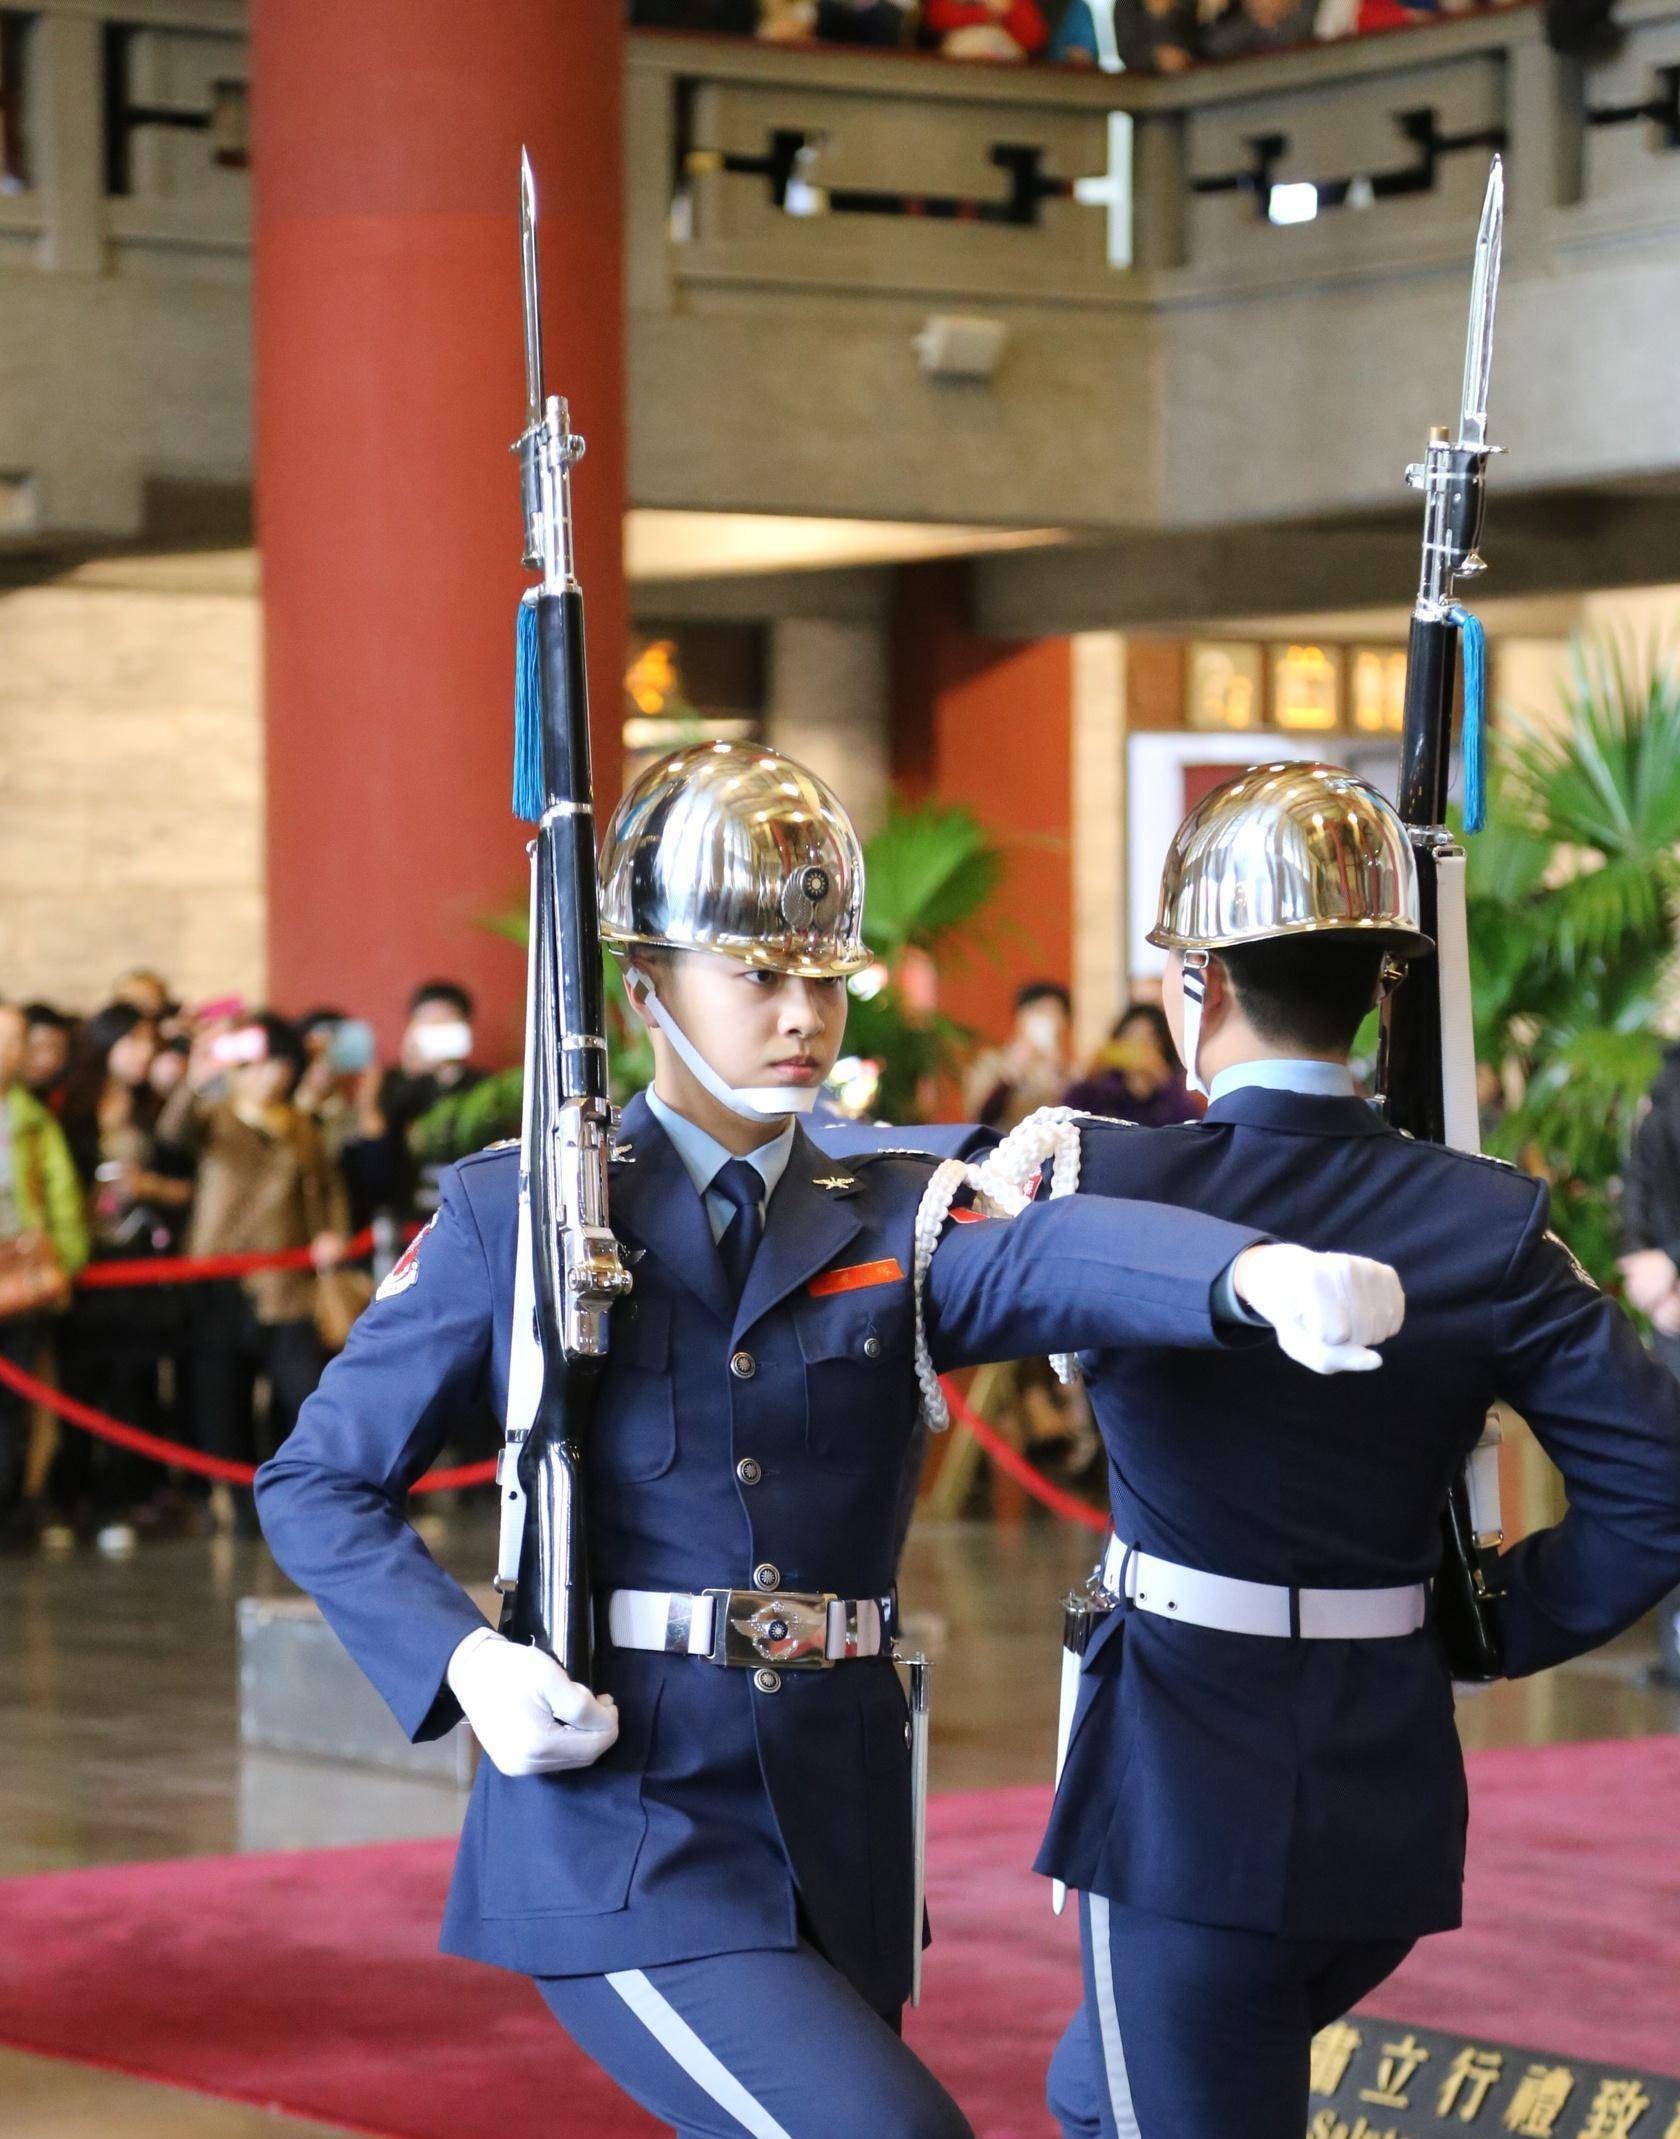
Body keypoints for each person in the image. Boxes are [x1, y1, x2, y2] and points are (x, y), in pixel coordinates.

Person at [255, 742, 1404, 2139]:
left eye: (824, 978)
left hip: (840, 1816)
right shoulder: (529, 1217)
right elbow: (318, 1478)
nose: (804, 1014)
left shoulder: (895, 1203)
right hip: (631, 1817)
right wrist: (466, 1659)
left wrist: (1244, 1278)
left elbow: (1057, 1249)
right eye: (758, 975)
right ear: (640, 988)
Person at [971, 764, 1680, 2139]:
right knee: (1099, 2087)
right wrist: (1477, 1624)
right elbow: (1658, 1486)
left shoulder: (1106, 1178)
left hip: (1182, 1795)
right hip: (1384, 1790)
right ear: (1379, 992)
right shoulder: (1488, 1224)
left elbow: (953, 1284)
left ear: (1203, 986)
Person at [161, 1011, 349, 1532]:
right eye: (256, 1063)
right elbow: (171, 1137)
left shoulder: (301, 1126)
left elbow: (327, 1188)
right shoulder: (213, 1117)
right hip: (218, 1279)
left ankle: (300, 1494)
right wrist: (193, 1081)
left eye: (279, 1063)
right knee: (222, 1397)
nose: (268, 1075)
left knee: (300, 1392)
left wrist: (331, 1234)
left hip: (287, 1281)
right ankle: (238, 1505)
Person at [54, 1003, 194, 1550]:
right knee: (81, 1389)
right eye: (132, 1043)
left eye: (149, 1044)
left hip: (142, 1266)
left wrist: (147, 1186)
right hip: (87, 1269)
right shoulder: (70, 1107)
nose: (143, 1054)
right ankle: (74, 1501)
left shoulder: (154, 1108)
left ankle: (122, 1500)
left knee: (135, 1387)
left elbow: (185, 1183)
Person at [0, 1002, 89, 1548]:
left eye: (14, 1040)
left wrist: (64, 1260)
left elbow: (62, 1200)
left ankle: (9, 1510)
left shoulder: (30, 1117)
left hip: (19, 1278)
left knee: (14, 1409)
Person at [961, 979, 1073, 1133]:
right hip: (1001, 1148)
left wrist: (1059, 1072)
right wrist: (1013, 1071)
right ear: (1021, 1016)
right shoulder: (992, 1062)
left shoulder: (1068, 1071)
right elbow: (980, 1115)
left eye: (1056, 1013)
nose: (1049, 1020)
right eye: (1040, 1011)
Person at [1062, 1003, 1200, 1126]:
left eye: (1149, 1038)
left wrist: (1164, 1080)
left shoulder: (1171, 1091)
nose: (1138, 1043)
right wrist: (1088, 1077)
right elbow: (1069, 1117)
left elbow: (1192, 1125)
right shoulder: (1106, 1087)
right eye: (1130, 1035)